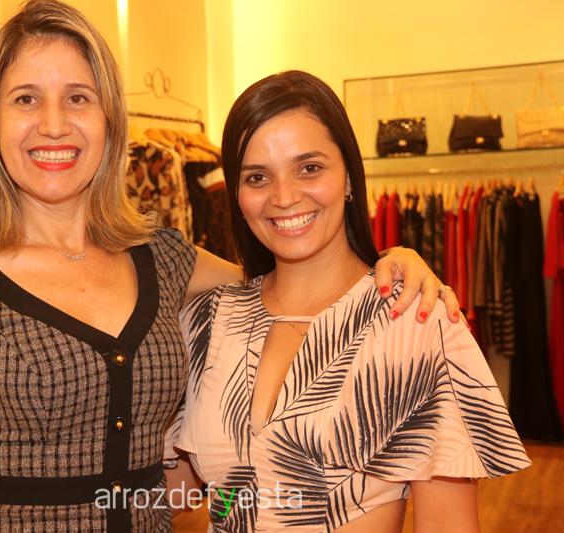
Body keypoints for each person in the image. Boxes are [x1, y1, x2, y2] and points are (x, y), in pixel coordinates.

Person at [0, 2, 460, 532]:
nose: (54, 124)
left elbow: (282, 279)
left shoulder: (161, 257)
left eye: (79, 98)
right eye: (26, 99)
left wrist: (390, 261)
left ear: (110, 120)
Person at [164, 71, 531, 532]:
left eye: (309, 168)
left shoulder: (414, 319)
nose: (284, 196)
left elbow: (448, 524)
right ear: (237, 195)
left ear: (349, 178)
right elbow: (178, 488)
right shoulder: (208, 319)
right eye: (258, 177)